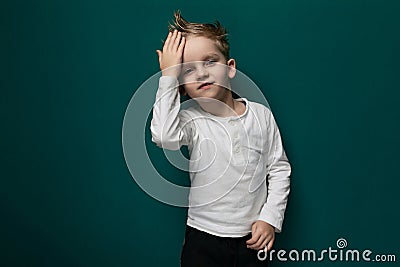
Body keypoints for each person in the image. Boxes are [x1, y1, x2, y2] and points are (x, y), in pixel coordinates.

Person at [151, 10, 291, 267]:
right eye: (188, 70)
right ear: (182, 87)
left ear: (230, 68)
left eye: (210, 61)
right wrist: (168, 76)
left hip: (252, 239)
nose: (202, 74)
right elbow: (163, 136)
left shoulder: (261, 116)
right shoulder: (191, 121)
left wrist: (270, 218)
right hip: (203, 238)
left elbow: (279, 169)